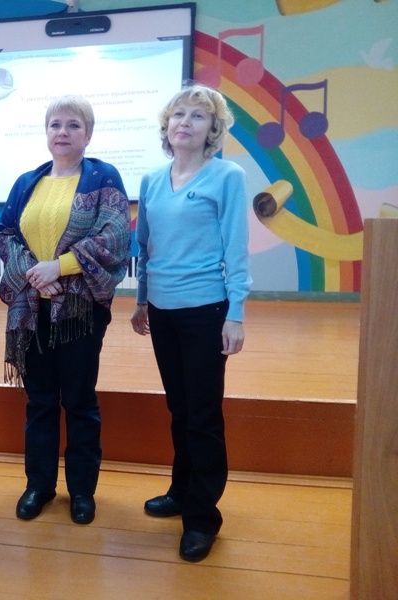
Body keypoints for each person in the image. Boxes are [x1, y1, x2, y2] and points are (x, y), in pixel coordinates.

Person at [0, 95, 130, 526]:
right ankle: (39, 486)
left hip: (79, 311)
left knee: (79, 400)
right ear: (46, 132)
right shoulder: (26, 182)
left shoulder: (103, 178)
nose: (63, 132)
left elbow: (114, 236)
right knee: (39, 401)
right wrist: (35, 274)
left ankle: (82, 491)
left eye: (73, 125)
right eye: (55, 124)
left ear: (88, 134)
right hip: (31, 310)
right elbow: (5, 236)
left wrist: (61, 267)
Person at [130, 84, 251, 562]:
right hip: (161, 310)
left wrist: (236, 314)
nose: (185, 122)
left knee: (202, 415)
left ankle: (202, 518)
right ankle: (181, 492)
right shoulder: (152, 180)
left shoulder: (227, 176)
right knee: (179, 408)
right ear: (166, 127)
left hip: (206, 311)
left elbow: (236, 249)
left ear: (213, 129)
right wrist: (141, 301)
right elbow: (146, 246)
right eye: (178, 115)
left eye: (198, 116)